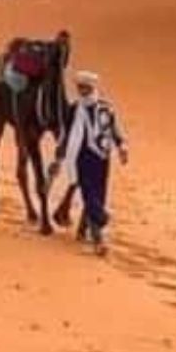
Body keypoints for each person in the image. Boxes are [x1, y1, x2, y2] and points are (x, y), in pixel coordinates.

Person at [53, 71, 129, 255]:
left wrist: (122, 147)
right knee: (89, 194)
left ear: (93, 88)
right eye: (80, 87)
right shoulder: (74, 109)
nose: (82, 91)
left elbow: (115, 130)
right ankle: (99, 237)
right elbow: (67, 133)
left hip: (102, 157)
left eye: (85, 87)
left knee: (99, 193)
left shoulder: (106, 108)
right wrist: (60, 153)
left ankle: (82, 229)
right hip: (81, 157)